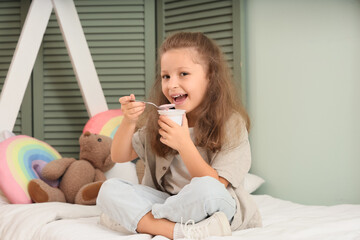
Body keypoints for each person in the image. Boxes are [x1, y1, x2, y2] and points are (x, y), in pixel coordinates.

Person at [97, 32, 262, 239]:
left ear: (210, 77)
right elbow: (119, 156)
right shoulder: (159, 120)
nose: (172, 84)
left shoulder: (231, 123)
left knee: (206, 189)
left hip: (215, 207)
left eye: (183, 74)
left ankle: (141, 221)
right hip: (168, 202)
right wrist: (128, 121)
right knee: (108, 189)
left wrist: (184, 144)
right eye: (166, 76)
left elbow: (216, 186)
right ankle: (178, 230)